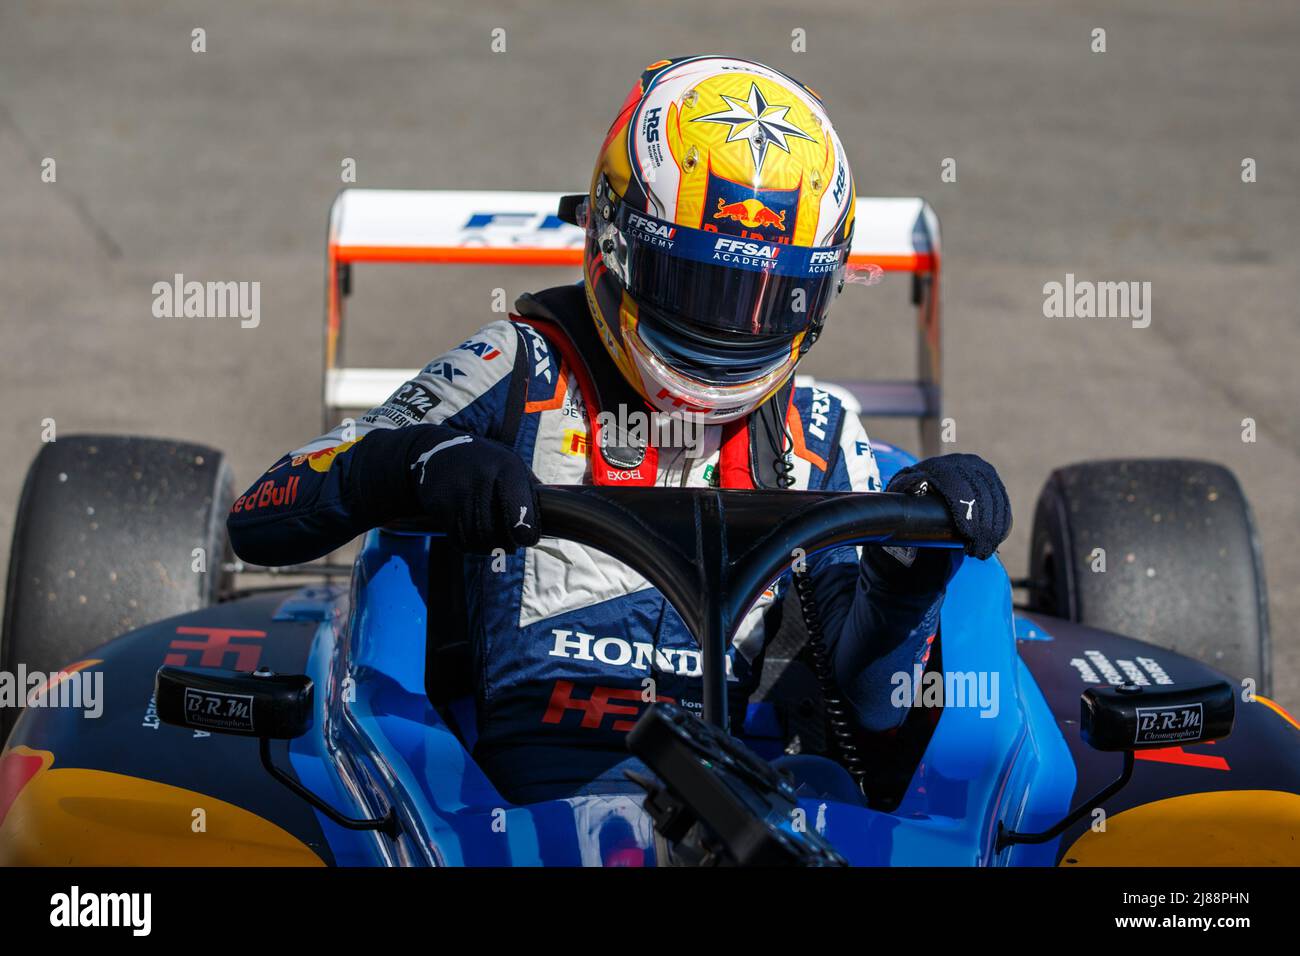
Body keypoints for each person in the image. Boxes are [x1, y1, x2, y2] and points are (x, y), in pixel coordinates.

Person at [227, 56, 1011, 803]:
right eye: (697, 284)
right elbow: (262, 516)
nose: (728, 327)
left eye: (766, 300)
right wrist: (419, 461)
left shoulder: (824, 435)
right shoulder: (518, 372)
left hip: (759, 799)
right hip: (525, 795)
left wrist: (907, 579)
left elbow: (872, 706)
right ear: (610, 241)